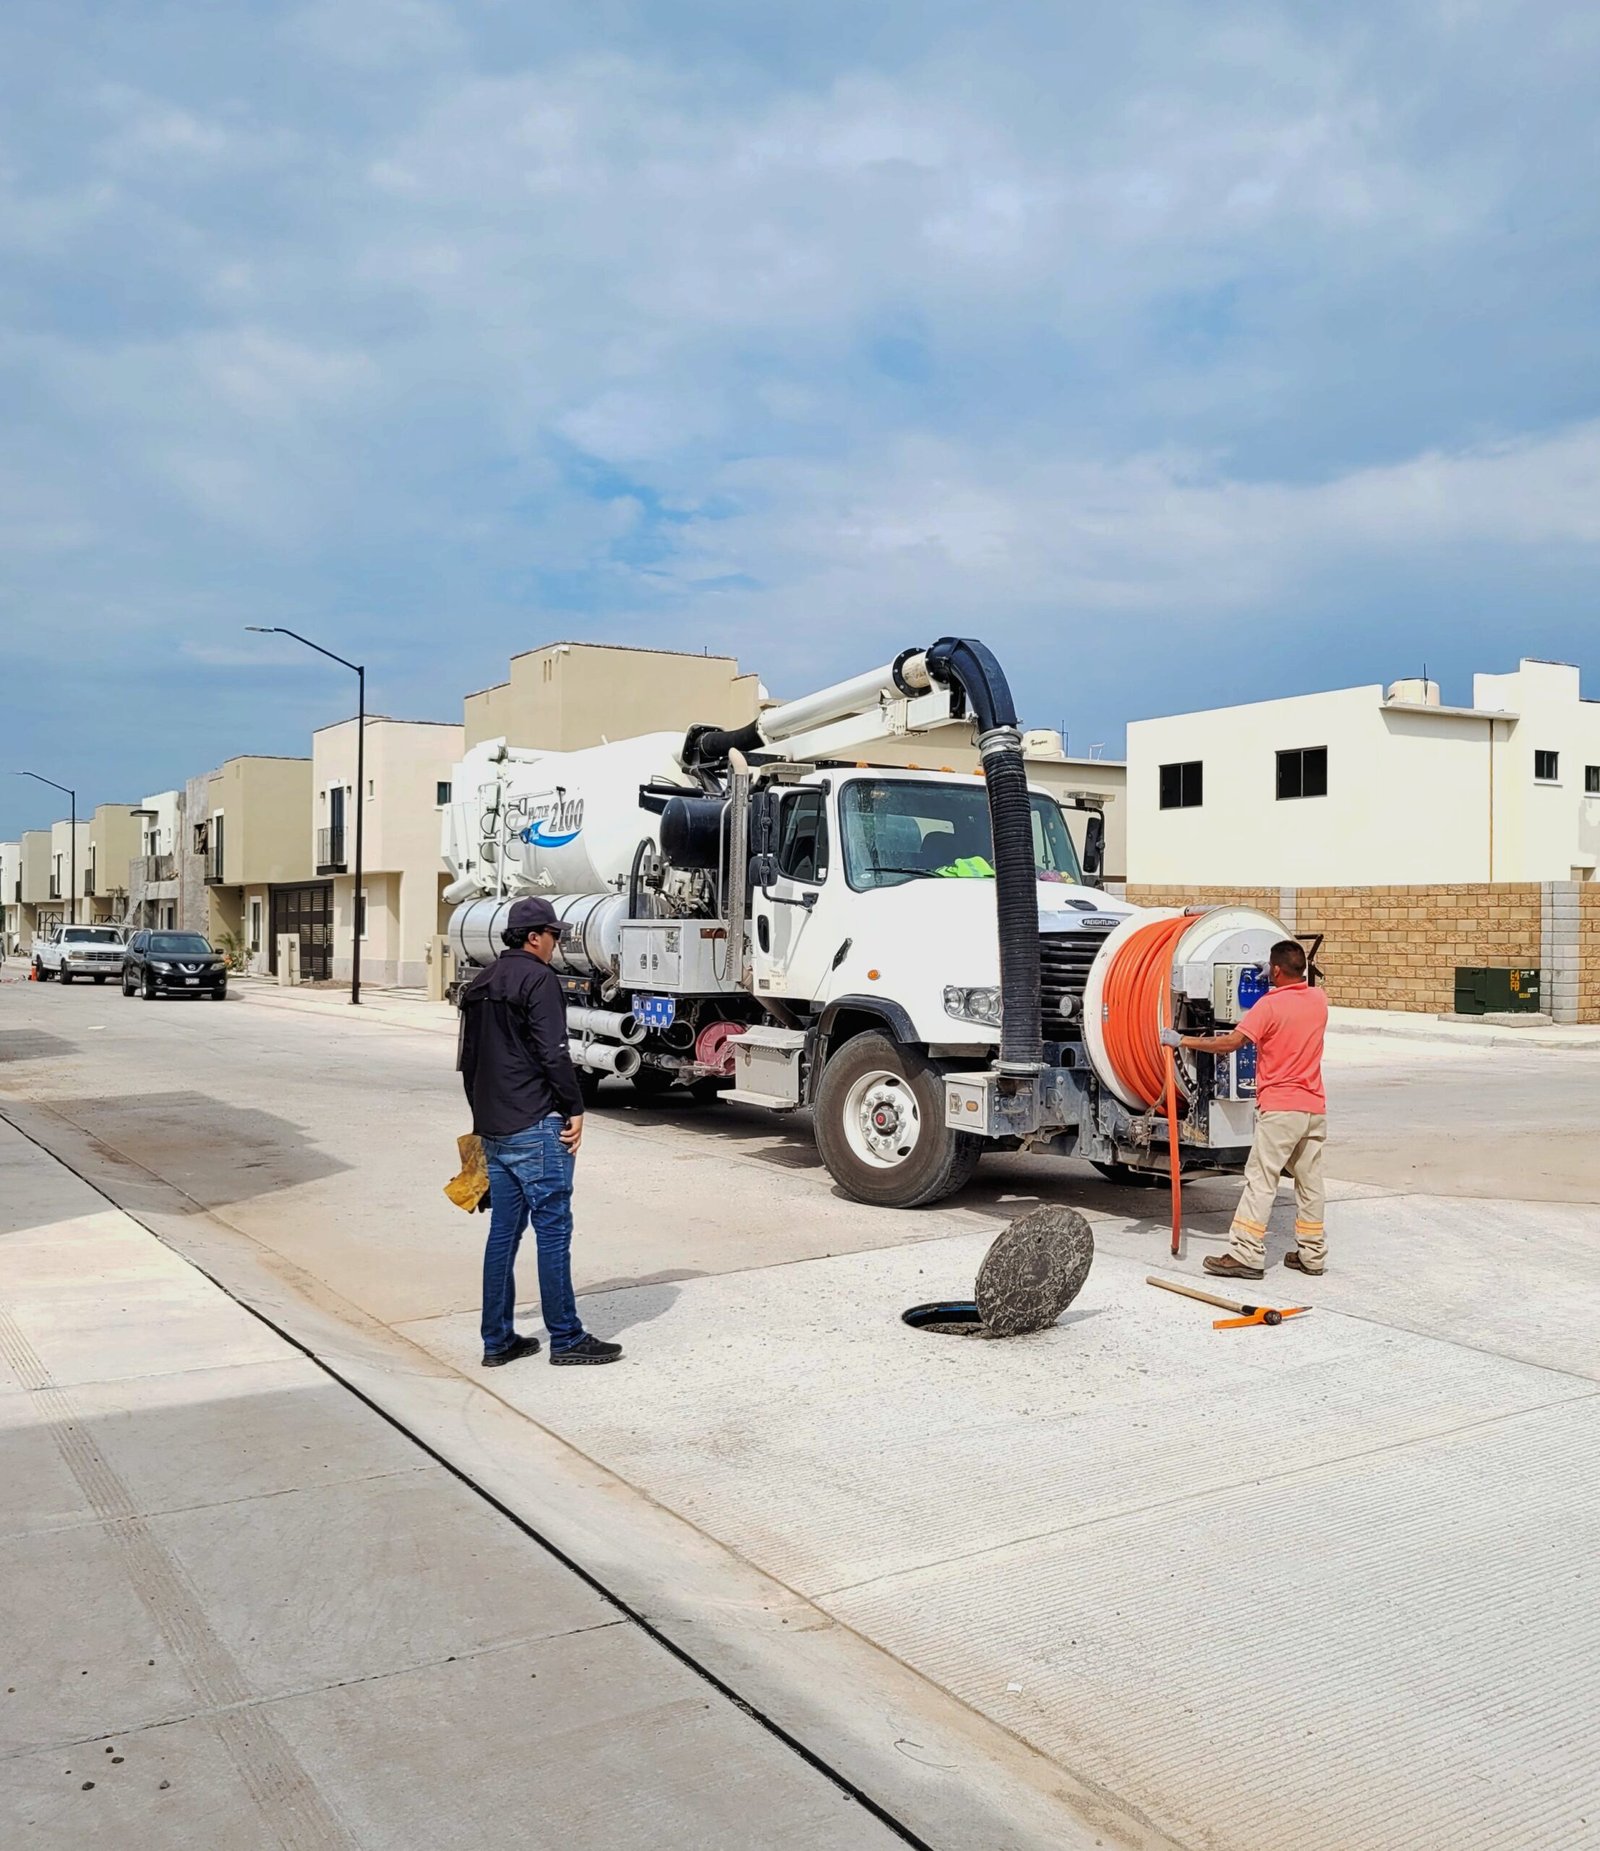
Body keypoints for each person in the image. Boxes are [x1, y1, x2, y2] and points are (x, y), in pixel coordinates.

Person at [458, 895, 623, 1367]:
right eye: (553, 935)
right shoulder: (539, 979)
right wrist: (575, 1108)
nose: (556, 943)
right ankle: (567, 1338)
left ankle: (497, 1340)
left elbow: (468, 1064)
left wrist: (482, 1125)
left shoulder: (481, 982)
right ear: (534, 937)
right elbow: (555, 1052)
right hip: (536, 1125)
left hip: (495, 1129)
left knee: (503, 1235)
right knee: (553, 1231)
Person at [1161, 938, 1329, 1281]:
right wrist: (1276, 975)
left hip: (1281, 1109)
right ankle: (1312, 1255)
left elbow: (1231, 1043)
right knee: (1310, 1183)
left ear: (1276, 970)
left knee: (1261, 1180)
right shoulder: (1319, 1000)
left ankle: (1246, 1254)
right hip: (1314, 1108)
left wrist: (1183, 1040)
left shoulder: (1268, 1007)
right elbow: (1298, 990)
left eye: (1270, 968)